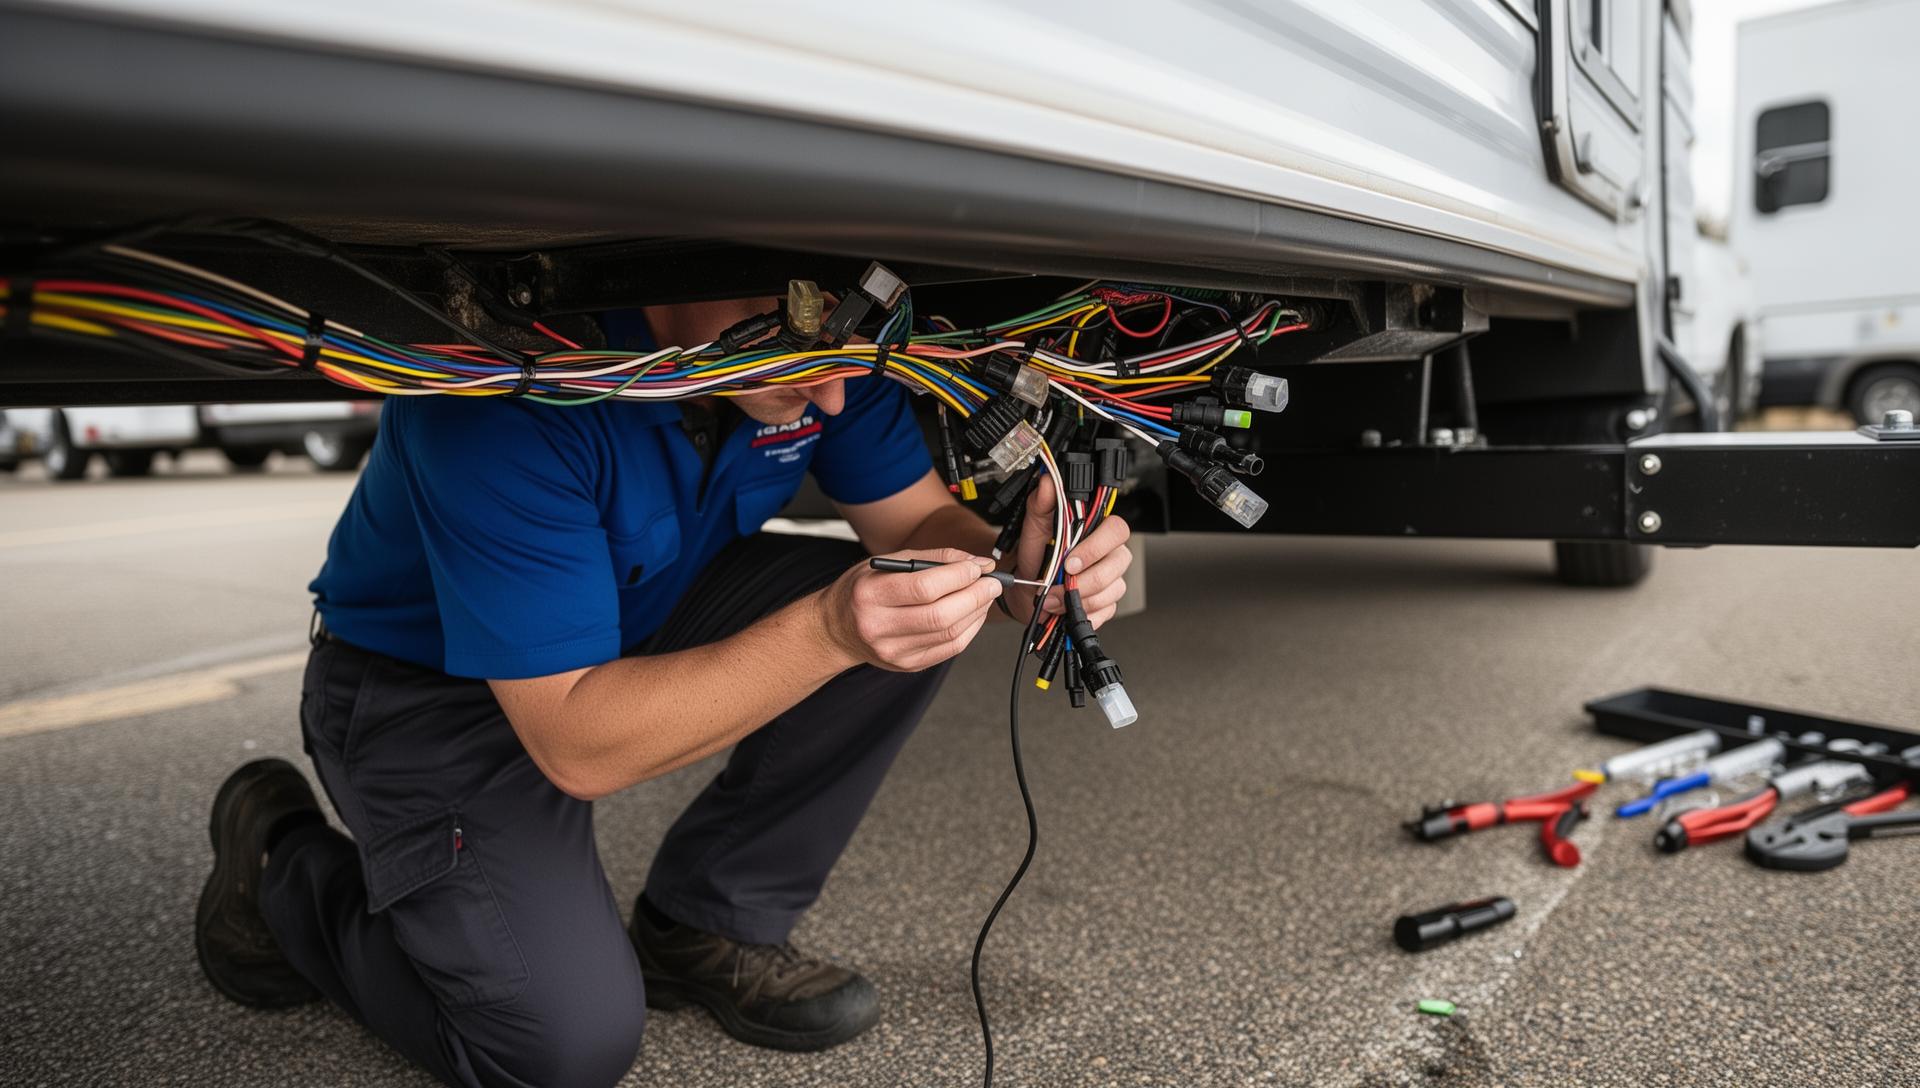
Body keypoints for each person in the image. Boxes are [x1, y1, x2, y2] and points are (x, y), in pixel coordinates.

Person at [192, 297, 1132, 1088]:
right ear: (691, 273)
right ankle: (280, 866)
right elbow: (580, 746)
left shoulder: (826, 349)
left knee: (911, 603)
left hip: (633, 619)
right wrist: (830, 632)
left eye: (847, 360)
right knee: (558, 1052)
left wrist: (1016, 572)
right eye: (809, 361)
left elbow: (917, 524)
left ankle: (704, 924)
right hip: (428, 692)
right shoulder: (506, 390)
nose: (837, 395)